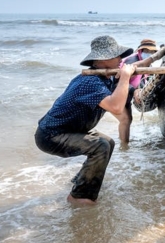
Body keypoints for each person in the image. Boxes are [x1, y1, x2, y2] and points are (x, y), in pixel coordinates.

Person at [34, 35, 136, 206]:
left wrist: (132, 88)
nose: (120, 59)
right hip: (52, 135)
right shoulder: (89, 81)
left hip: (74, 130)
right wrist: (125, 77)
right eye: (116, 55)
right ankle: (79, 196)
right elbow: (116, 107)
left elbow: (124, 93)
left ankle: (82, 180)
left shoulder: (106, 78)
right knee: (100, 146)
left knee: (108, 142)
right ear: (101, 60)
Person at [115, 39, 158, 146]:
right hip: (118, 90)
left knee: (127, 119)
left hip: (127, 93)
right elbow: (119, 81)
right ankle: (124, 146)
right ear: (140, 50)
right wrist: (134, 91)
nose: (149, 54)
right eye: (146, 51)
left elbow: (143, 83)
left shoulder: (149, 66)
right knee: (126, 119)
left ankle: (124, 144)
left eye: (152, 52)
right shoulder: (132, 61)